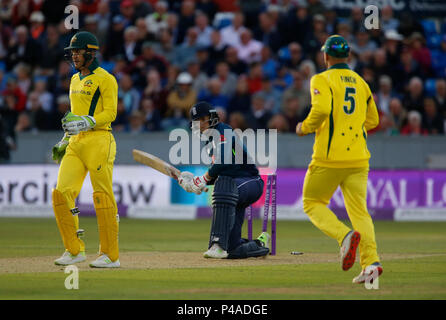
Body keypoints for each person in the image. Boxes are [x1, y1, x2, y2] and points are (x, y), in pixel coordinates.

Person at [296, 35, 383, 284]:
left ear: (325, 56)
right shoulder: (361, 82)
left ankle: (344, 236)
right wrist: (352, 126)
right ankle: (371, 264)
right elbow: (374, 120)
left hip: (329, 158)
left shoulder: (321, 79)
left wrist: (304, 127)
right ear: (348, 56)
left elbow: (321, 110)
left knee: (312, 202)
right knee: (360, 212)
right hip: (358, 158)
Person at [51, 31, 120, 268]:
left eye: (78, 52)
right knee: (61, 193)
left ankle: (110, 256)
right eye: (72, 52)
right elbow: (73, 118)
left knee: (102, 196)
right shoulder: (73, 79)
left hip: (100, 140)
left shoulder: (106, 78)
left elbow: (111, 113)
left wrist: (88, 121)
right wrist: (64, 138)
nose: (74, 56)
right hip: (76, 142)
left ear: (91, 52)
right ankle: (74, 250)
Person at [178, 101, 269, 259]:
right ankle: (260, 243)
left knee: (224, 187)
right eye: (195, 121)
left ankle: (217, 245)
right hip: (233, 188)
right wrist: (195, 183)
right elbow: (222, 171)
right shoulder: (208, 143)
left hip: (251, 182)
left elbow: (224, 161)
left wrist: (204, 178)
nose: (197, 125)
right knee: (233, 249)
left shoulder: (224, 130)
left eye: (200, 120)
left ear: (210, 118)